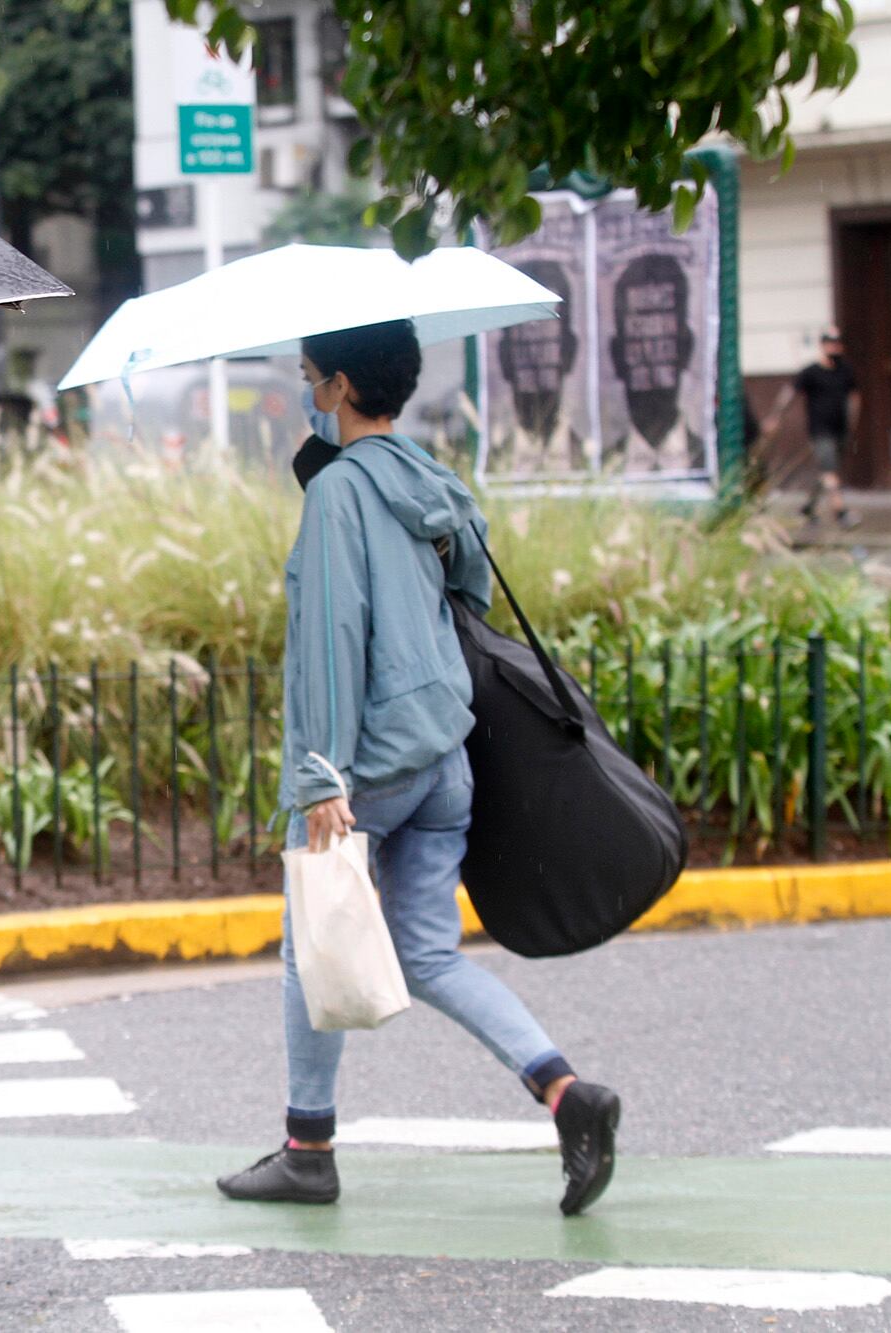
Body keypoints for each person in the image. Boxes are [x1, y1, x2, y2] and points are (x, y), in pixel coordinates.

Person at [218, 318, 622, 1217]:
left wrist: (320, 777)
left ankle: (308, 1148)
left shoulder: (339, 496)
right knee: (430, 955)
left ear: (339, 387)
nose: (306, 389)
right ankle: (566, 1092)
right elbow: (471, 592)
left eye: (309, 374)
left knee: (310, 948)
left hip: (369, 766)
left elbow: (329, 637)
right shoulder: (433, 478)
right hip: (447, 752)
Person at [604, 252, 700, 474]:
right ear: (615, 353)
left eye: (662, 342)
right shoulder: (602, 463)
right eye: (638, 343)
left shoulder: (709, 455)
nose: (649, 358)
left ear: (687, 348)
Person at [494, 259, 589, 476]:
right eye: (524, 342)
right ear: (504, 356)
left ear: (570, 350)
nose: (536, 361)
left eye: (548, 342)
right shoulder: (495, 461)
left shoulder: (593, 456)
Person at [761, 326, 860, 528]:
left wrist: (852, 423)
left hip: (840, 429)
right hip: (820, 430)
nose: (834, 348)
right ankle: (840, 511)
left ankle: (809, 506)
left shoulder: (846, 371)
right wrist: (776, 416)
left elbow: (854, 397)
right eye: (830, 344)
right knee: (829, 470)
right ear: (823, 346)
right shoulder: (811, 372)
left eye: (837, 344)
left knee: (827, 472)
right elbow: (789, 393)